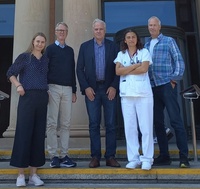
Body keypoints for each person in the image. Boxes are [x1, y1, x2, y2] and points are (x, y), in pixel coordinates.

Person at [144, 16, 190, 168]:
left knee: (176, 121)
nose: (152, 28)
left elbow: (179, 61)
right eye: (150, 25)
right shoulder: (146, 44)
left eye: (154, 25)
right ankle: (164, 156)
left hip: (166, 85)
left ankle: (184, 157)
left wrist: (174, 80)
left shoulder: (169, 41)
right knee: (158, 123)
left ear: (159, 26)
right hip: (152, 87)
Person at [76, 18, 120, 168]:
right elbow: (79, 69)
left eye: (101, 29)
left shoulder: (113, 46)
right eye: (96, 29)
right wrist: (86, 87)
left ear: (105, 30)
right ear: (93, 30)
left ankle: (110, 157)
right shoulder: (85, 47)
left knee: (111, 124)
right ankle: (95, 157)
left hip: (109, 90)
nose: (99, 31)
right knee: (94, 124)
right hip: (92, 91)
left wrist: (114, 86)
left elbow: (119, 69)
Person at [7, 32, 49, 187]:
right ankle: (20, 175)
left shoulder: (46, 60)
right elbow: (10, 73)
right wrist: (18, 85)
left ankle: (34, 175)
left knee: (38, 135)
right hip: (27, 97)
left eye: (42, 42)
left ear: (44, 44)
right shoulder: (24, 57)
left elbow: (46, 78)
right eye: (37, 41)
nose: (39, 44)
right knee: (24, 134)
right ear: (33, 42)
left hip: (42, 98)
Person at [114, 29, 154, 170]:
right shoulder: (121, 54)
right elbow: (118, 71)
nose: (131, 39)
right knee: (130, 128)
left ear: (137, 39)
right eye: (128, 37)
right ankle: (133, 158)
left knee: (146, 127)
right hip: (127, 95)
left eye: (133, 37)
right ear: (124, 40)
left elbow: (144, 69)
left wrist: (128, 69)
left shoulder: (144, 52)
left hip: (143, 95)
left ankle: (147, 158)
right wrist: (135, 65)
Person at [46, 22, 77, 168]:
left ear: (67, 32)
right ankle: (53, 155)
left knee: (65, 123)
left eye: (64, 30)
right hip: (53, 88)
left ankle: (64, 155)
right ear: (55, 32)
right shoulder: (50, 49)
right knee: (52, 123)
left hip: (68, 89)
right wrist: (45, 88)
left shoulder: (70, 50)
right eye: (59, 30)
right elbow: (45, 69)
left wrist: (74, 91)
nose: (62, 32)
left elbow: (72, 70)